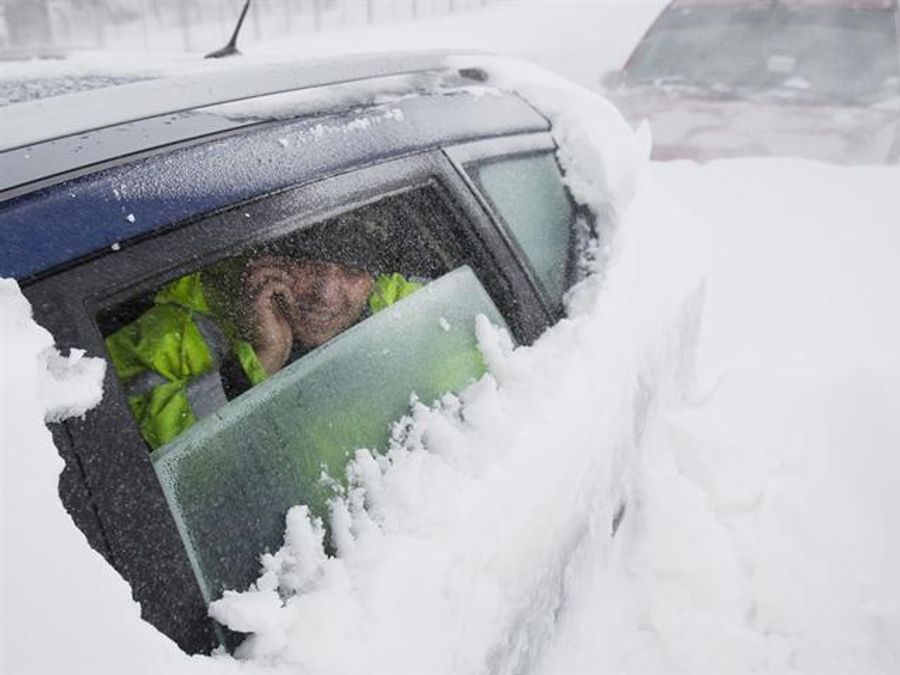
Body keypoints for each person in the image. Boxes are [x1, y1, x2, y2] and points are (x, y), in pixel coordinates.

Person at [106, 248, 421, 450]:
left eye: (352, 270)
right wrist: (256, 363)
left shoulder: (413, 312)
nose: (324, 294)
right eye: (306, 263)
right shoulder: (165, 339)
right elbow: (124, 458)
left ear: (372, 280)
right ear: (263, 263)